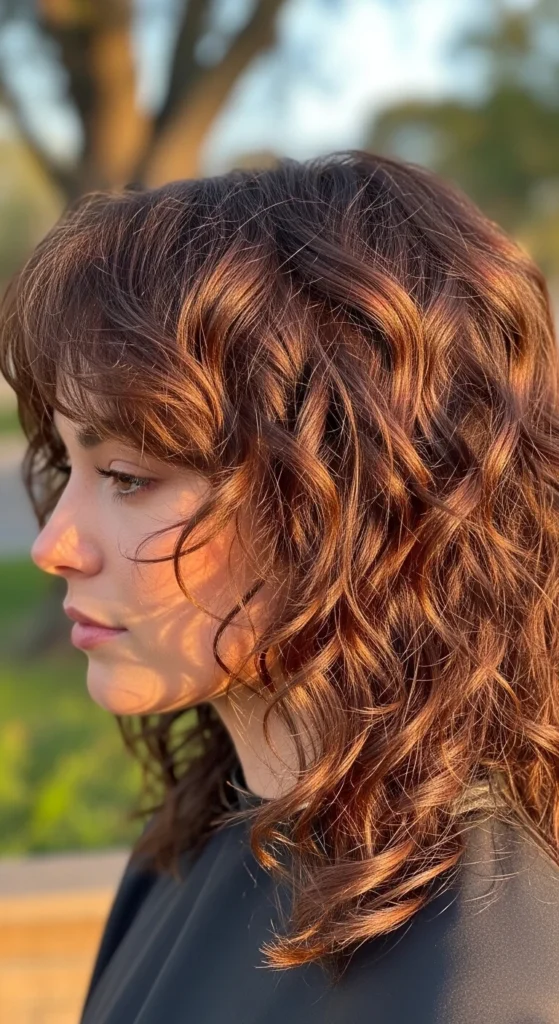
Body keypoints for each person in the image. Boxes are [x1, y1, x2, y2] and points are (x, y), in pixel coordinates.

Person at [1, 149, 559, 1024]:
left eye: (127, 475)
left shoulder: (479, 975)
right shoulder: (203, 839)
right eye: (64, 463)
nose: (55, 545)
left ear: (351, 498)